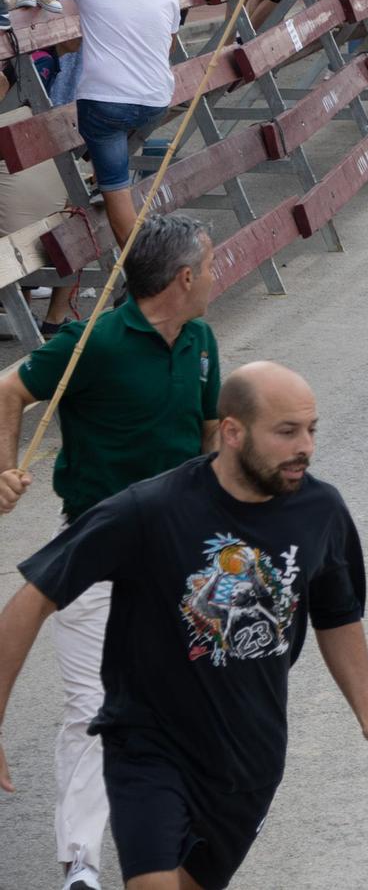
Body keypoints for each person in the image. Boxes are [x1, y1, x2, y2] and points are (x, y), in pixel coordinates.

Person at [0, 362, 368, 890]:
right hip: (150, 747)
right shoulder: (149, 510)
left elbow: (337, 615)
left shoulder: (321, 509)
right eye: (286, 431)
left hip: (249, 759)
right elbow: (34, 596)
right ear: (232, 431)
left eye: (312, 429)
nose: (306, 447)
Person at [0, 217, 219, 890]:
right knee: (93, 707)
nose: (216, 274)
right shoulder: (91, 342)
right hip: (94, 552)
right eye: (209, 265)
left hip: (179, 556)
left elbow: (209, 433)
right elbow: (9, 389)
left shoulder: (203, 339)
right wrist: (2, 468)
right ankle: (82, 865)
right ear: (183, 278)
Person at [6, 0, 177, 245]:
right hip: (156, 102)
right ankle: (101, 173)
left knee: (116, 190)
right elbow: (167, 45)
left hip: (105, 106)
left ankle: (140, 271)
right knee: (120, 135)